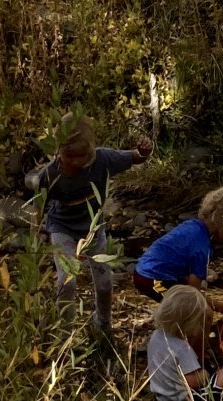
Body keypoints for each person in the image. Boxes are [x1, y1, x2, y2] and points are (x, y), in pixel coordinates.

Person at [25, 119, 151, 336]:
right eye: (69, 156)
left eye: (82, 155)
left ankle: (103, 325)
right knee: (67, 281)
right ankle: (64, 332)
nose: (76, 161)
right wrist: (34, 242)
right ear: (59, 150)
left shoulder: (102, 159)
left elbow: (132, 157)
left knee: (104, 283)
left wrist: (143, 152)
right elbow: (37, 209)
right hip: (62, 228)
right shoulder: (50, 175)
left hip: (93, 228)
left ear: (90, 149)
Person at [133, 184, 223, 301]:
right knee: (189, 307)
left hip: (149, 270)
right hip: (151, 278)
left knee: (196, 305)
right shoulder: (201, 248)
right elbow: (194, 294)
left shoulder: (193, 225)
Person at [146, 284, 223, 401]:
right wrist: (205, 374)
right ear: (190, 323)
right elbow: (190, 382)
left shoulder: (156, 336)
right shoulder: (182, 348)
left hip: (163, 398)